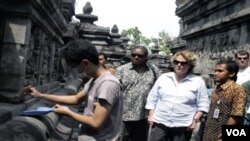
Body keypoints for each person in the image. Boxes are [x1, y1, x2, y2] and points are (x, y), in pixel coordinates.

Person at [26, 39, 123, 141]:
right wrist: (40, 95)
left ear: (85, 63)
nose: (74, 70)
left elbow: (96, 123)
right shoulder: (95, 80)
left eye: (74, 66)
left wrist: (68, 113)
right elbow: (76, 99)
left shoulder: (107, 84)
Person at [145, 50, 209, 141]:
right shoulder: (164, 78)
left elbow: (203, 104)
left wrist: (195, 120)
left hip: (183, 124)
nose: (179, 65)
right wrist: (151, 115)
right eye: (176, 62)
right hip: (160, 121)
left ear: (190, 65)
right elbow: (152, 98)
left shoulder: (198, 81)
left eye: (183, 63)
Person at [115, 45, 161, 141]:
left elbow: (160, 88)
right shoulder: (122, 70)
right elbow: (114, 91)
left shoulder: (153, 70)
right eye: (133, 55)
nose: (136, 57)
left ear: (146, 58)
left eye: (140, 56)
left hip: (143, 116)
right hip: (124, 115)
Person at [202, 60, 247, 141]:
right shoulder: (217, 89)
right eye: (215, 71)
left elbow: (236, 116)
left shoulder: (238, 90)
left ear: (231, 74)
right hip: (209, 134)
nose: (215, 73)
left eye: (220, 71)